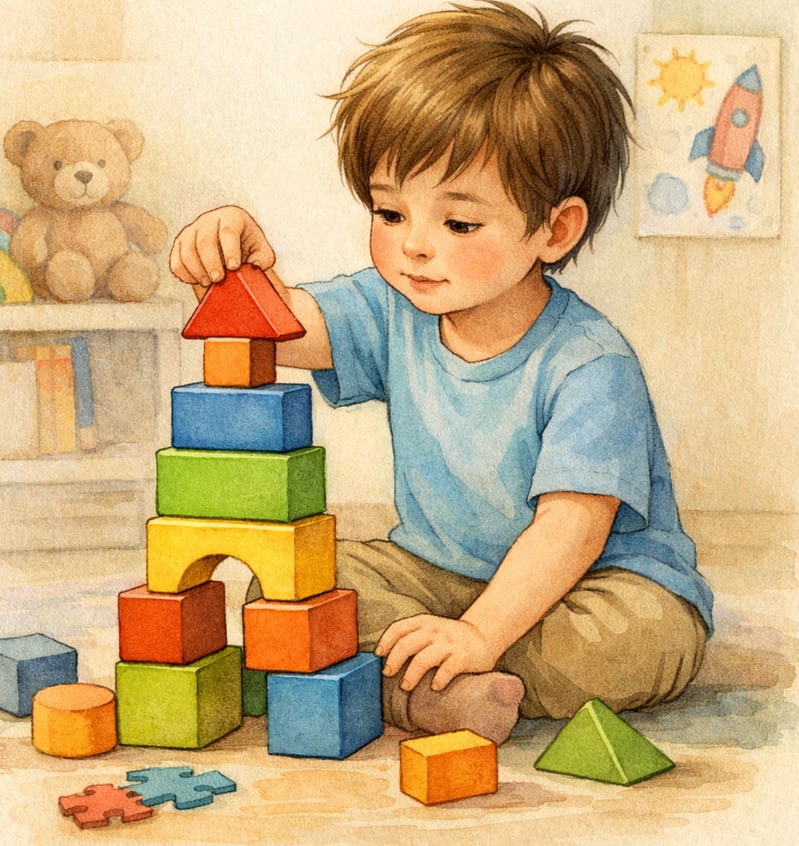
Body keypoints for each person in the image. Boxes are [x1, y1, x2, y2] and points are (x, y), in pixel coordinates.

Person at [169, 1, 713, 745]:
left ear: (554, 229)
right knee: (287, 584)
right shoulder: (395, 308)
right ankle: (439, 689)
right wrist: (235, 266)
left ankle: (424, 682)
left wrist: (482, 632)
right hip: (435, 570)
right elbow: (284, 328)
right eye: (390, 212)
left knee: (639, 640)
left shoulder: (591, 363)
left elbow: (573, 529)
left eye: (458, 224)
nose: (414, 248)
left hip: (598, 588)